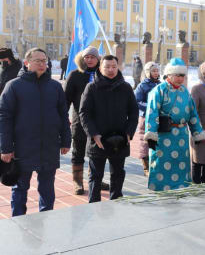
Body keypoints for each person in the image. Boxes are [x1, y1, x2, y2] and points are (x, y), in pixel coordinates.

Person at [0, 48, 71, 216]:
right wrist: (6, 148)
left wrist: (66, 140)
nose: (42, 64)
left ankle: (46, 219)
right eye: (37, 60)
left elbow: (63, 114)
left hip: (49, 146)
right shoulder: (14, 86)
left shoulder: (55, 86)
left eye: (44, 61)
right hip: (22, 147)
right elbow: (4, 118)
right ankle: (18, 220)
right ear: (27, 63)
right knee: (20, 188)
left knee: (47, 190)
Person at [79, 55, 139, 203]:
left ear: (118, 67)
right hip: (98, 140)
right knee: (95, 176)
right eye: (107, 67)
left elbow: (133, 112)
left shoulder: (125, 87)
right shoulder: (91, 87)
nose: (111, 70)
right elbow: (84, 113)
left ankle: (116, 203)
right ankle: (93, 204)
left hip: (120, 139)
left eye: (114, 66)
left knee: (118, 174)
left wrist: (129, 132)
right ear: (100, 68)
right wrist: (93, 134)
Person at [144, 58, 205, 191]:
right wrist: (151, 135)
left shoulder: (185, 91)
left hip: (181, 137)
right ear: (169, 75)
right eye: (177, 75)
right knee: (162, 165)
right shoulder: (158, 91)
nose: (180, 78)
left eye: (182, 75)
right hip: (163, 136)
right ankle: (161, 191)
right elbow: (152, 113)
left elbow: (193, 113)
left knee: (180, 166)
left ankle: (181, 189)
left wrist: (197, 132)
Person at [64, 46, 109, 195]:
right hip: (80, 121)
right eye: (86, 57)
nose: (89, 60)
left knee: (97, 153)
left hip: (100, 123)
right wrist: (64, 117)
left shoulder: (103, 74)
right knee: (78, 151)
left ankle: (95, 178)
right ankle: (77, 181)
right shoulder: (75, 75)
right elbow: (66, 99)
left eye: (92, 57)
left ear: (98, 59)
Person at [134, 62, 160, 176]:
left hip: (158, 118)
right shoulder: (142, 85)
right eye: (153, 71)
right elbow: (137, 101)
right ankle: (146, 168)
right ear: (147, 72)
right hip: (146, 118)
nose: (156, 73)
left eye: (157, 70)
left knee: (157, 141)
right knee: (145, 143)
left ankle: (155, 165)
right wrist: (151, 108)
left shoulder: (160, 84)